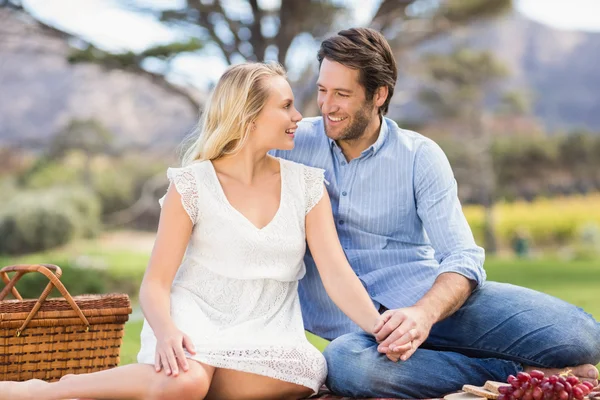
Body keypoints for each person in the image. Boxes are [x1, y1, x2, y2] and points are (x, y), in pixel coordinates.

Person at [0, 63, 395, 400]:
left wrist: (382, 330)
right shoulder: (191, 185)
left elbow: (337, 275)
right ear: (249, 115)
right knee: (186, 381)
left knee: (306, 372)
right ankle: (49, 390)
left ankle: (170, 383)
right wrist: (167, 331)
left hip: (269, 332)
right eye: (287, 106)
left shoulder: (307, 186)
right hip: (195, 323)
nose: (298, 117)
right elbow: (155, 284)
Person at [272, 27, 600, 399]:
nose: (327, 106)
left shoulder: (419, 156)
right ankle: (517, 373)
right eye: (322, 91)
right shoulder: (291, 144)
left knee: (581, 336)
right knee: (349, 366)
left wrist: (423, 314)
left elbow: (462, 255)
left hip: (428, 299)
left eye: (342, 94)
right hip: (359, 333)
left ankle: (454, 357)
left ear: (378, 95)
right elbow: (225, 157)